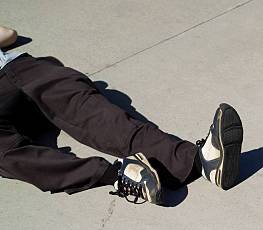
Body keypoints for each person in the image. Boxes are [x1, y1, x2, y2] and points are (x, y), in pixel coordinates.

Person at [0, 25, 243, 204]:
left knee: (98, 117)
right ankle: (120, 174)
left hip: (17, 69)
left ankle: (201, 161)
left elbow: (8, 34)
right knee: (6, 154)